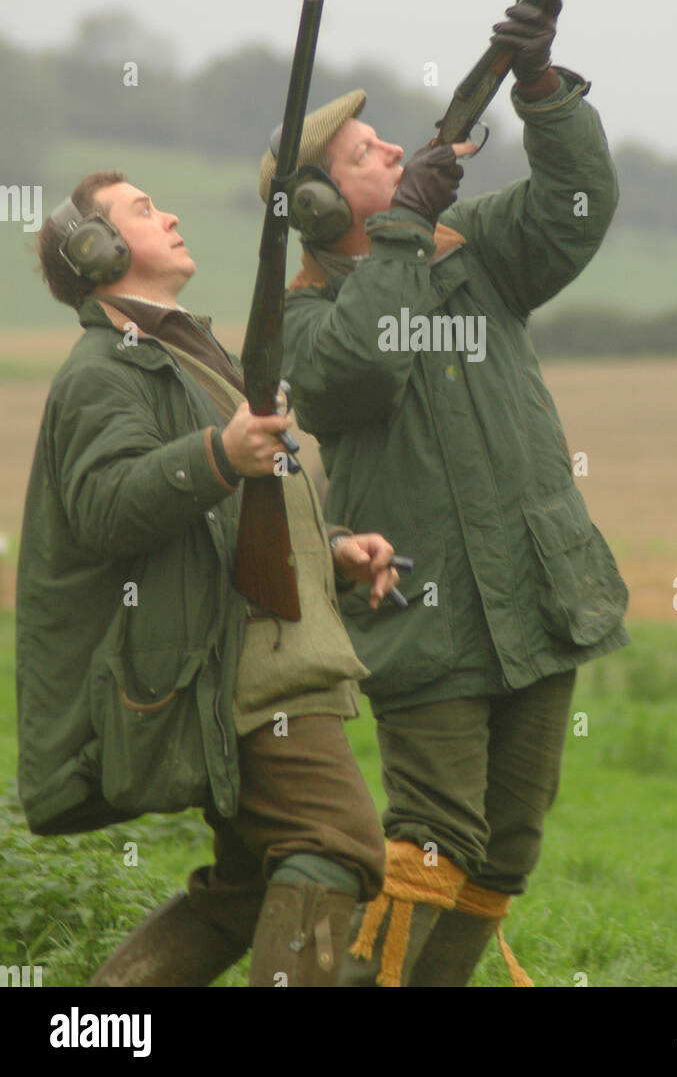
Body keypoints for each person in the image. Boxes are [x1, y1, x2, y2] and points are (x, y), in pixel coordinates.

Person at [256, 0, 631, 987]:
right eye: (366, 153)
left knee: (506, 850)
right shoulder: (296, 324)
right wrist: (407, 228)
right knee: (430, 846)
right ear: (324, 207)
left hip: (537, 591)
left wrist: (541, 86)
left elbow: (577, 207)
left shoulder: (477, 256)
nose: (394, 154)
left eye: (389, 145)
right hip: (424, 611)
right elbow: (361, 368)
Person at [16, 171, 403, 987]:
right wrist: (219, 454)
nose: (172, 214)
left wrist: (328, 546)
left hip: (255, 647)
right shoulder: (106, 371)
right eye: (144, 211)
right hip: (243, 671)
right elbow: (105, 508)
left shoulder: (184, 353)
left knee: (250, 885)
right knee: (338, 844)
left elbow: (227, 511)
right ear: (98, 249)